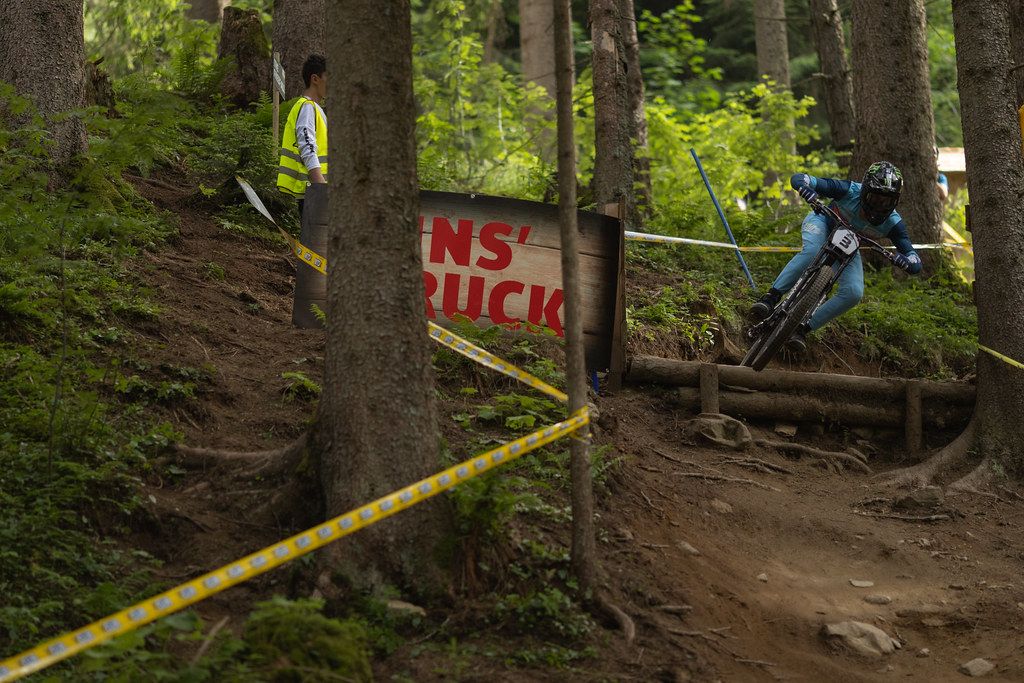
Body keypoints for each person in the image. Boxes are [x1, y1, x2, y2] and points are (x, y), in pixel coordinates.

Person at [749, 162, 922, 351]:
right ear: (864, 192)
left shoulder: (894, 224)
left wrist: (906, 261)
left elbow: (914, 259)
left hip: (849, 246)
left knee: (854, 292)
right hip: (823, 222)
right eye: (875, 198)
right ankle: (770, 297)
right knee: (812, 251)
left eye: (886, 201)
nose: (879, 206)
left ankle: (803, 329)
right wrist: (806, 190)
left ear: (895, 202)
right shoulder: (848, 190)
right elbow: (800, 178)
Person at [276, 54, 328, 218]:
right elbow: (307, 146)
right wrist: (321, 186)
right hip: (314, 191)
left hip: (317, 191)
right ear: (315, 79)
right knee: (315, 243)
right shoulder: (307, 107)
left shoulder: (316, 109)